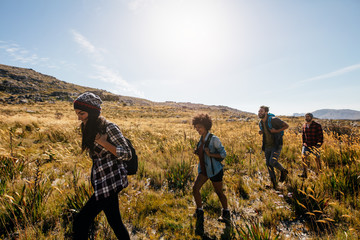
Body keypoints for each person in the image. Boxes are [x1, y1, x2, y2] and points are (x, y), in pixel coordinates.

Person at [73, 92, 131, 240]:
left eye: (82, 113)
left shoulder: (109, 127)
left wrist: (104, 143)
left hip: (110, 180)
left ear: (92, 112)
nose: (79, 117)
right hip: (100, 180)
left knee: (81, 220)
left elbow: (127, 154)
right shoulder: (87, 126)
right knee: (115, 222)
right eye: (77, 113)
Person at [192, 113, 230, 228]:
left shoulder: (214, 139)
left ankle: (226, 213)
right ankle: (200, 211)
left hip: (215, 171)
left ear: (206, 126)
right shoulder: (201, 139)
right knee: (195, 189)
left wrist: (211, 154)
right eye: (196, 127)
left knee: (219, 192)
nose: (198, 129)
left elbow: (223, 154)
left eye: (200, 127)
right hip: (203, 170)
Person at [258, 106, 289, 189]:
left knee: (272, 162)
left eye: (261, 111)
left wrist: (276, 131)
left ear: (266, 112)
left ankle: (283, 171)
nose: (259, 112)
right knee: (268, 165)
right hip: (267, 146)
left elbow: (286, 125)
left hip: (276, 145)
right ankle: (274, 184)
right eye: (259, 111)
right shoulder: (261, 123)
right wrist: (262, 132)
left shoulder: (273, 119)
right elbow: (266, 131)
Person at [300, 113, 324, 178]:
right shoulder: (304, 125)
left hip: (315, 145)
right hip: (306, 145)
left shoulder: (317, 125)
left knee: (317, 159)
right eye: (306, 117)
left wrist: (318, 145)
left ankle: (319, 174)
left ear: (311, 117)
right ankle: (304, 173)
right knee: (303, 158)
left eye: (308, 117)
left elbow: (320, 136)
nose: (307, 118)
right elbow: (303, 135)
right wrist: (303, 143)